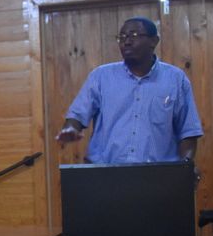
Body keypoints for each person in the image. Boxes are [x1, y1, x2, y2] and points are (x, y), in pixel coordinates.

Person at [55, 17, 203, 174]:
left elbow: (188, 131)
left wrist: (186, 167)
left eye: (134, 35)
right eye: (122, 37)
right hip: (105, 175)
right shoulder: (101, 77)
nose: (126, 42)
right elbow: (77, 116)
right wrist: (70, 129)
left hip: (158, 177)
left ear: (154, 41)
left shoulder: (175, 79)